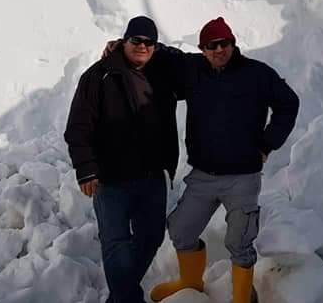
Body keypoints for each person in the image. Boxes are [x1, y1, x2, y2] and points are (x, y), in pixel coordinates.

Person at [107, 17, 299, 303]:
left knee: (240, 241)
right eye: (211, 45)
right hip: (203, 175)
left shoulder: (258, 74)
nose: (219, 50)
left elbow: (289, 103)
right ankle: (190, 282)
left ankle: (242, 297)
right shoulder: (193, 68)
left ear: (233, 44)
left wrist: (268, 143)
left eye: (224, 43)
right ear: (202, 49)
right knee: (181, 229)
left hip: (242, 177)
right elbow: (164, 54)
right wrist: (121, 46)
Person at [64, 16, 179, 303]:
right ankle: (127, 299)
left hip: (151, 176)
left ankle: (120, 296)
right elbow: (78, 126)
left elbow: (190, 63)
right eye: (136, 40)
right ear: (124, 41)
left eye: (149, 42)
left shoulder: (162, 73)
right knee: (116, 243)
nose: (142, 46)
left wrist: (162, 50)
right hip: (111, 178)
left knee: (151, 237)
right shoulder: (99, 75)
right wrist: (86, 168)